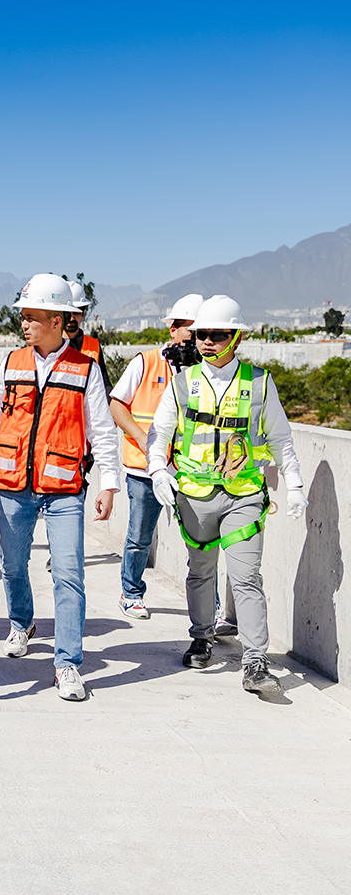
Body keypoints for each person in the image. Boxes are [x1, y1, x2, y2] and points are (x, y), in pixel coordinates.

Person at [0, 273, 120, 701]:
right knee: (12, 565)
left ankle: (67, 664)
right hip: (14, 486)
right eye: (22, 316)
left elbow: (103, 431)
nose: (24, 324)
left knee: (69, 574)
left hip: (63, 488)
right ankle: (21, 623)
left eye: (32, 317)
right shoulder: (12, 363)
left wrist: (109, 484)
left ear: (57, 320)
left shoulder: (85, 369)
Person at [146, 294, 306, 694]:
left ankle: (255, 661)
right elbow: (159, 432)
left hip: (243, 494)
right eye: (202, 334)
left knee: (246, 576)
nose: (207, 341)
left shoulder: (259, 383)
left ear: (236, 338)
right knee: (201, 571)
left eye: (217, 335)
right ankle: (201, 637)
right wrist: (158, 471)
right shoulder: (183, 383)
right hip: (195, 495)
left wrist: (295, 485)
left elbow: (281, 438)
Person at [108, 293, 203, 619]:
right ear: (173, 329)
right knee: (139, 537)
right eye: (192, 331)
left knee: (202, 544)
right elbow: (117, 405)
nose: (198, 339)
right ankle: (131, 593)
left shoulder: (205, 370)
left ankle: (210, 606)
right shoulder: (145, 362)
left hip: (191, 470)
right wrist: (144, 440)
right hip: (145, 470)